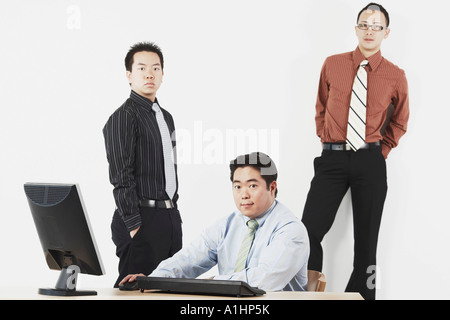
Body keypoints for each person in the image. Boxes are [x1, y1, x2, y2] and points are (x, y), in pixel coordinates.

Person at [301, 3, 409, 300]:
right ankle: (306, 294)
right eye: (364, 24)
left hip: (370, 161)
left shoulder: (395, 75)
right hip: (332, 159)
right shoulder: (332, 63)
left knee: (367, 242)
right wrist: (327, 138)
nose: (370, 31)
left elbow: (400, 119)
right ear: (356, 28)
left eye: (377, 26)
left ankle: (361, 297)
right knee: (308, 231)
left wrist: (381, 151)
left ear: (386, 33)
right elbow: (321, 107)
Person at [120, 152, 309, 291]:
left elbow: (265, 279)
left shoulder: (290, 231)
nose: (244, 194)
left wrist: (213, 283)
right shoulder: (228, 224)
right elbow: (189, 259)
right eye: (237, 186)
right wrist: (152, 280)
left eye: (252, 185)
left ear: (272, 187)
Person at [103, 42, 182, 288]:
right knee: (136, 291)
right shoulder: (124, 116)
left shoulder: (165, 116)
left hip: (168, 218)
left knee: (170, 290)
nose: (149, 73)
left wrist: (173, 218)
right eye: (142, 68)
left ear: (162, 74)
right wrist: (134, 225)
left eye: (156, 68)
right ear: (129, 75)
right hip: (140, 218)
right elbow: (120, 175)